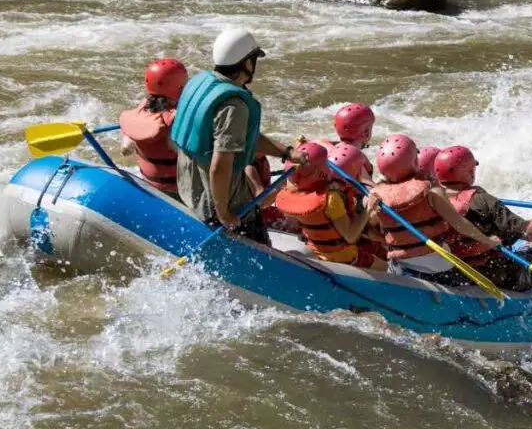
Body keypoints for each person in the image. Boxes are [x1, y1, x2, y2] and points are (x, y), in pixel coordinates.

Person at [169, 28, 305, 246]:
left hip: (190, 194)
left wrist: (286, 152)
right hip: (219, 209)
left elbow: (240, 137)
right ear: (247, 64)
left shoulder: (201, 83)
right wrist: (223, 212)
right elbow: (220, 165)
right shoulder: (234, 107)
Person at [434, 145, 532, 290]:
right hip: (493, 274)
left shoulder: (430, 199)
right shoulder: (482, 200)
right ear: (470, 172)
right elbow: (529, 232)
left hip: (454, 272)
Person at [369, 134, 500, 284]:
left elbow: (371, 229)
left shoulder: (376, 196)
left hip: (400, 266)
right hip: (436, 269)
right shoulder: (432, 191)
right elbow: (459, 224)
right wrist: (487, 240)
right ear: (413, 161)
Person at [272, 142, 386, 270]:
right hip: (342, 257)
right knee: (384, 267)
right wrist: (369, 208)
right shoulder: (331, 199)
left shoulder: (295, 191)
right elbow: (350, 236)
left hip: (315, 248)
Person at [118, 58, 188, 200]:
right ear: (180, 88)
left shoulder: (140, 112)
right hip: (178, 192)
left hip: (148, 183)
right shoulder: (175, 120)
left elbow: (125, 149)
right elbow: (187, 155)